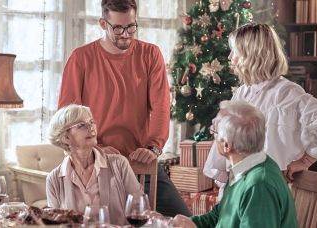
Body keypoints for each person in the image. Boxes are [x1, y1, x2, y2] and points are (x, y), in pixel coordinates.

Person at [57, 0, 191, 217]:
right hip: (95, 164)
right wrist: (95, 149)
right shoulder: (81, 58)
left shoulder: (150, 54)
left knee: (185, 219)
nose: (126, 34)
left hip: (141, 163)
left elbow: (161, 106)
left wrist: (153, 148)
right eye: (118, 28)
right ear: (103, 23)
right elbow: (67, 117)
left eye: (131, 27)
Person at [204, 23, 317, 194]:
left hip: (268, 190)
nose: (229, 57)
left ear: (251, 54)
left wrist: (305, 161)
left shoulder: (286, 93)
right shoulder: (243, 92)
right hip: (240, 185)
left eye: (235, 51)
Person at [172, 100, 297, 228]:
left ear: (226, 145)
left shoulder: (259, 185)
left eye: (214, 132)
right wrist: (178, 223)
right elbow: (218, 217)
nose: (212, 136)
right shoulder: (241, 170)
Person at [46, 104, 143, 225]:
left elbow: (140, 209)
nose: (91, 128)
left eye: (91, 122)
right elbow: (54, 224)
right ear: (66, 137)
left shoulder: (119, 164)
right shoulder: (54, 179)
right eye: (82, 125)